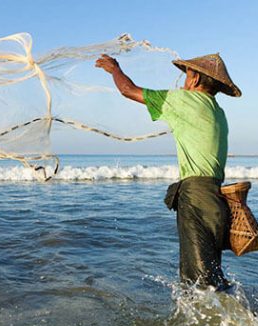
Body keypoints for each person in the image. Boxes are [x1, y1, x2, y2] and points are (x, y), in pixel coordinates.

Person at [95, 52, 242, 290]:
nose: (183, 81)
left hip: (196, 198)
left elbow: (128, 90)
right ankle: (227, 323)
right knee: (211, 274)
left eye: (187, 76)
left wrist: (114, 69)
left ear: (194, 80)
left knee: (197, 284)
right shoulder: (218, 112)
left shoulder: (184, 101)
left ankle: (218, 324)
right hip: (216, 201)